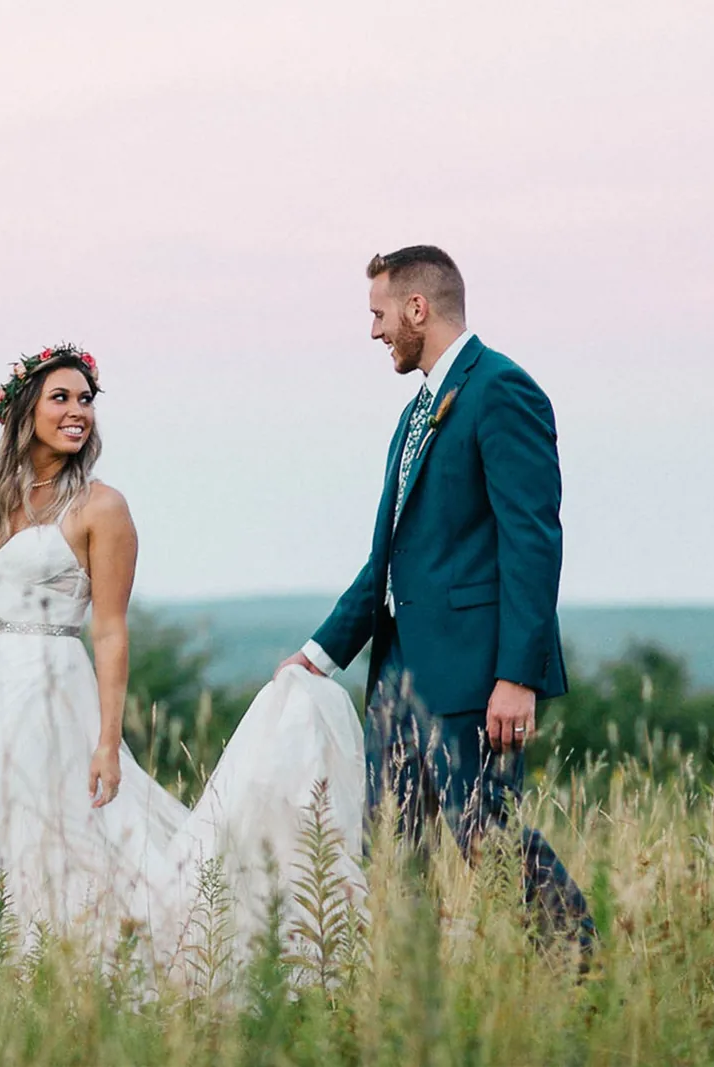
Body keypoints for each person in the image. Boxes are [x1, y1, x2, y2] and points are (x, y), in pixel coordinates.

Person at [0, 344, 366, 969]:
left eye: (85, 400)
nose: (78, 411)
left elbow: (111, 632)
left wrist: (107, 742)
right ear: (24, 411)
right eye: (61, 398)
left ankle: (74, 966)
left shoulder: (101, 507)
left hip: (49, 693)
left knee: (54, 839)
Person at [277, 246, 596, 955]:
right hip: (399, 679)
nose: (374, 331)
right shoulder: (414, 413)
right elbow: (390, 559)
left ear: (417, 308)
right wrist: (318, 655)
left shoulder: (502, 390)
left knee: (487, 836)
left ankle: (580, 971)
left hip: (473, 676)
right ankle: (407, 991)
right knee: (392, 852)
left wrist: (517, 676)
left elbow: (532, 542)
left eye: (379, 314)